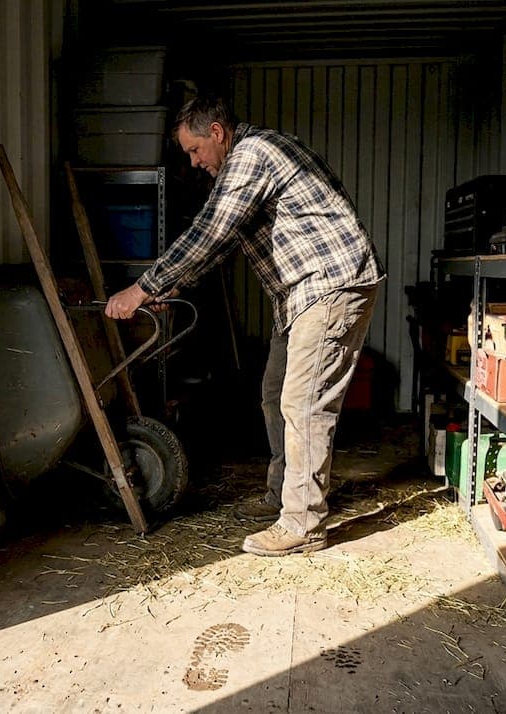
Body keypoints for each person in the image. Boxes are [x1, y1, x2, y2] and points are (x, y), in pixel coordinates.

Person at [105, 95, 385, 557]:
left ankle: (303, 523)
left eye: (195, 150)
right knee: (275, 396)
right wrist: (162, 292)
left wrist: (142, 288)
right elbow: (218, 244)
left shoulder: (254, 154)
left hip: (331, 284)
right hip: (298, 294)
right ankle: (284, 499)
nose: (194, 163)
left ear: (217, 133)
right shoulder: (244, 163)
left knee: (304, 404)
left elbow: (211, 230)